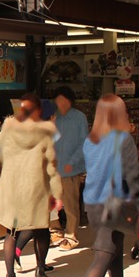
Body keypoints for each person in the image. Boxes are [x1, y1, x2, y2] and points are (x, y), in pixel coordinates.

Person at [68, 95, 139, 277]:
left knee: (114, 249)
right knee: (104, 254)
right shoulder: (124, 139)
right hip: (114, 202)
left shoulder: (91, 140)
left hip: (93, 202)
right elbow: (132, 175)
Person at [0, 93, 63, 277]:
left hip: (11, 187)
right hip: (36, 187)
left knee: (12, 232)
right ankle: (40, 273)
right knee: (41, 230)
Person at [51, 86, 89, 251]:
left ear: (70, 100)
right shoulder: (54, 117)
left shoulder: (79, 117)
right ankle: (55, 231)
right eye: (57, 100)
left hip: (71, 168)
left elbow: (83, 142)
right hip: (53, 167)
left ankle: (71, 236)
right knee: (52, 202)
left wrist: (72, 162)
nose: (60, 103)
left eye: (63, 100)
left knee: (71, 203)